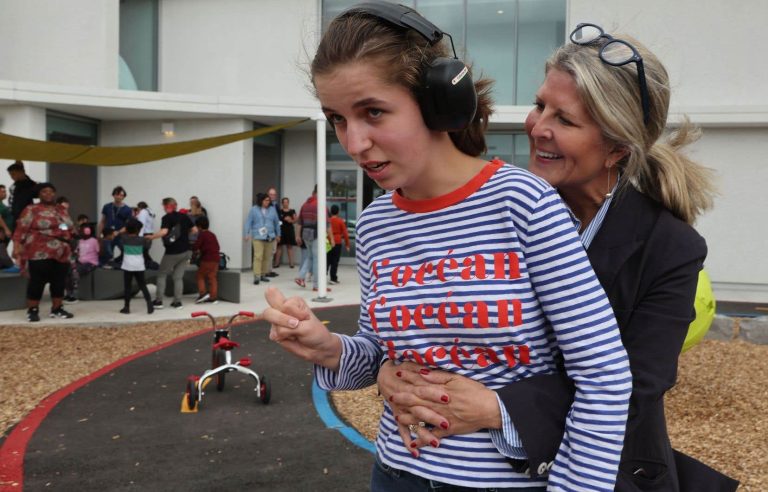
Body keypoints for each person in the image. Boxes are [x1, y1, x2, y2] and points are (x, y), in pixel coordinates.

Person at [262, 4, 631, 490]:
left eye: (373, 112)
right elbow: (378, 356)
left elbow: (603, 376)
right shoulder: (374, 224)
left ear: (438, 102)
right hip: (395, 473)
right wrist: (327, 348)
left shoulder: (523, 204)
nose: (353, 142)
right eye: (337, 119)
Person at [376, 23, 739, 492]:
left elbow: (634, 386)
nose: (537, 127)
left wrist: (498, 408)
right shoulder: (499, 204)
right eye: (539, 104)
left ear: (616, 149)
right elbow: (443, 313)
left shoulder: (668, 248)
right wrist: (397, 370)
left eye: (564, 120)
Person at [11, 182, 75, 322]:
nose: (48, 194)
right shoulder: (32, 209)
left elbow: (67, 225)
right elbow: (21, 228)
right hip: (39, 249)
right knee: (37, 281)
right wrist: (17, 246)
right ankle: (33, 310)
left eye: (51, 191)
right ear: (39, 194)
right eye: (44, 191)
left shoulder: (61, 209)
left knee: (59, 281)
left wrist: (63, 231)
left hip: (61, 251)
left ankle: (57, 309)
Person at [147, 197, 197, 309]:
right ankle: (177, 302)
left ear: (166, 206)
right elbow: (195, 230)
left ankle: (159, 301)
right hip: (186, 251)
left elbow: (164, 232)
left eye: (163, 206)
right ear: (175, 205)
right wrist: (184, 233)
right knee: (178, 277)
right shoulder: (185, 217)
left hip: (173, 252)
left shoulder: (166, 218)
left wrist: (151, 237)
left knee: (161, 274)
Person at [294, 185, 333, 291]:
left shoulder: (304, 205)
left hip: (305, 235)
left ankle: (300, 277)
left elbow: (299, 222)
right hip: (316, 234)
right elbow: (328, 224)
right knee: (317, 259)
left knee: (310, 257)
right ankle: (317, 285)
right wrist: (332, 239)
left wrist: (297, 235)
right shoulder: (321, 205)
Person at [243, 192, 280, 285]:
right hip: (258, 236)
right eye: (266, 200)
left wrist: (278, 234)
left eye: (269, 200)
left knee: (267, 257)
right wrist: (246, 233)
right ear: (261, 201)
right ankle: (257, 276)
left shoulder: (272, 209)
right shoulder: (254, 210)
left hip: (270, 236)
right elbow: (248, 222)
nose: (268, 202)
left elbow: (276, 223)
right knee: (258, 256)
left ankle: (263, 274)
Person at [119, 218, 154, 315]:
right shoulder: (142, 240)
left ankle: (126, 307)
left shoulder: (124, 238)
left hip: (127, 266)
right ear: (138, 230)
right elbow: (147, 247)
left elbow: (120, 235)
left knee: (127, 287)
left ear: (127, 229)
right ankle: (149, 304)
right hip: (139, 266)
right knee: (142, 285)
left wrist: (123, 230)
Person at [98, 186, 131, 259]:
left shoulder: (128, 209)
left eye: (121, 195)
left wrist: (118, 232)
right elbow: (102, 221)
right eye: (117, 194)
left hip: (120, 235)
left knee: (126, 252)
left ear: (124, 197)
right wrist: (99, 235)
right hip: (107, 235)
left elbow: (127, 226)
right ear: (113, 195)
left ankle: (120, 264)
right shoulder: (107, 206)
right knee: (107, 254)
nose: (119, 197)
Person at [192, 215, 220, 304]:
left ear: (199, 226)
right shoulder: (212, 234)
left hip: (207, 259)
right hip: (216, 259)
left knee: (199, 275)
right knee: (212, 277)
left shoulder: (202, 235)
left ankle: (203, 294)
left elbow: (196, 246)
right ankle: (213, 297)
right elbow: (218, 246)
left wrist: (193, 248)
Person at [326, 204, 350, 284]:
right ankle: (333, 278)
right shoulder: (340, 221)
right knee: (335, 261)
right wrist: (347, 244)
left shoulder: (328, 220)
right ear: (338, 212)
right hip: (337, 242)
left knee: (327, 260)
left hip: (328, 241)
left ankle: (322, 276)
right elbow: (345, 234)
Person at [274, 197, 297, 268]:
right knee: (279, 246)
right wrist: (281, 222)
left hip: (289, 230)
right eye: (284, 202)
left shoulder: (292, 211)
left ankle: (291, 263)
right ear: (282, 203)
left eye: (287, 202)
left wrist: (291, 221)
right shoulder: (279, 211)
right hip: (281, 230)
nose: (285, 203)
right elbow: (277, 221)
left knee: (289, 247)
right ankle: (276, 263)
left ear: (288, 203)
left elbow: (296, 219)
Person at [265, 187, 280, 277]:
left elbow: (277, 219)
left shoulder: (276, 205)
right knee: (268, 252)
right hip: (267, 232)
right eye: (271, 194)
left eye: (274, 194)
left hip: (274, 231)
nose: (272, 196)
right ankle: (266, 271)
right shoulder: (266, 206)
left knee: (273, 251)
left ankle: (269, 270)